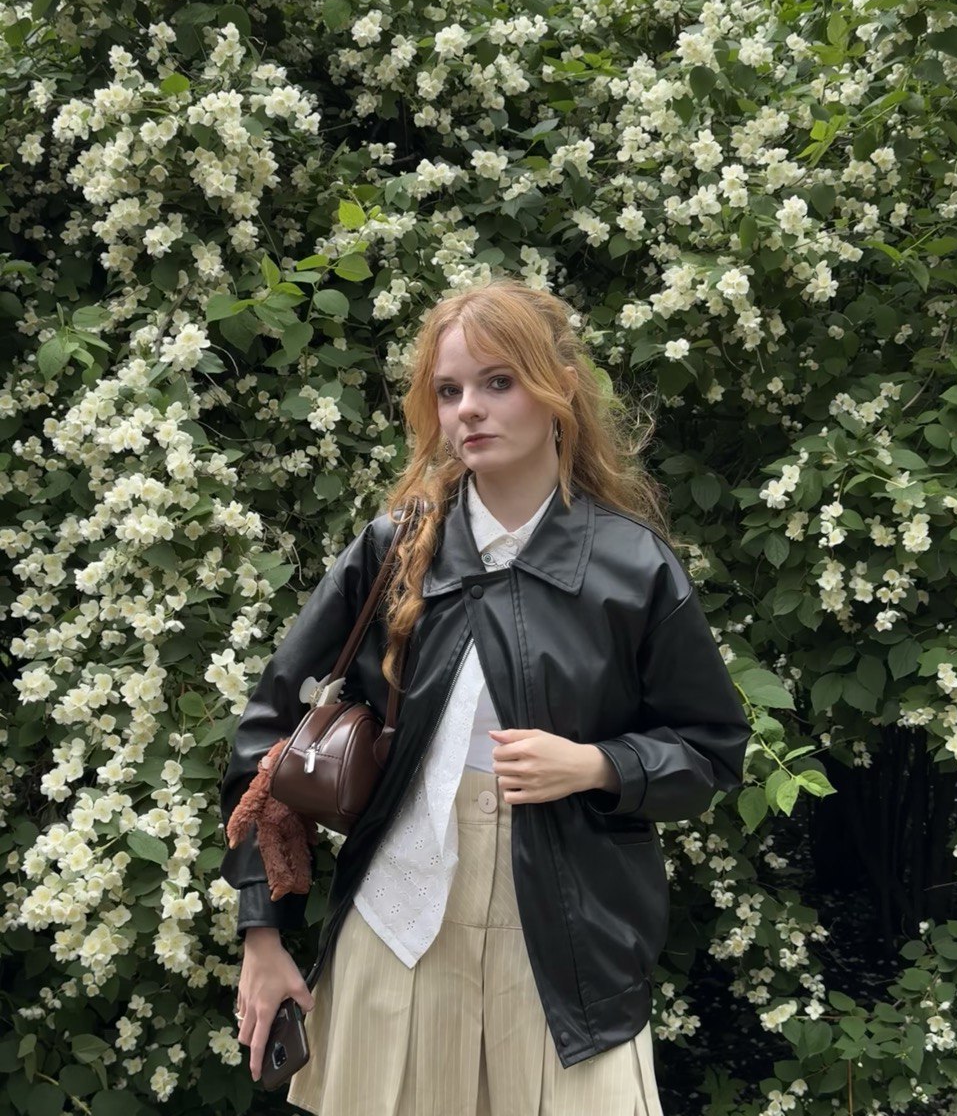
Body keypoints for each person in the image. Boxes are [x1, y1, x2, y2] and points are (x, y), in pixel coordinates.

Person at [220, 277, 751, 1115]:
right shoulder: (396, 550)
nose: (469, 408)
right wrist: (262, 935)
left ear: (559, 389)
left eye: (498, 382)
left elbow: (711, 751)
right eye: (449, 390)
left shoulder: (631, 568)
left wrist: (597, 765)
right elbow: (267, 736)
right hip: (396, 925)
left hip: (570, 948)